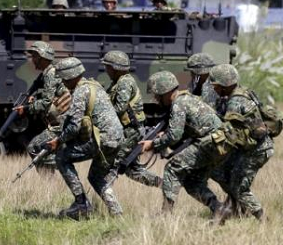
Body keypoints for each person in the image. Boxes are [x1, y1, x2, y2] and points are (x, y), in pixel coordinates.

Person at [139, 71, 234, 215]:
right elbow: (190, 127)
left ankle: (166, 214)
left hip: (212, 143)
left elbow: (174, 136)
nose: (156, 99)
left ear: (165, 92)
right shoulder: (186, 98)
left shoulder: (178, 104)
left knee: (172, 168)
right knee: (192, 182)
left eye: (157, 95)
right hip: (219, 143)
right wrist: (165, 134)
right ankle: (219, 209)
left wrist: (152, 144)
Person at [46, 57, 125, 219]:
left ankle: (81, 203)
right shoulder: (94, 85)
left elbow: (74, 126)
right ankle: (118, 214)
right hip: (117, 139)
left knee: (61, 157)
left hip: (102, 139)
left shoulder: (81, 91)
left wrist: (58, 140)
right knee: (95, 177)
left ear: (71, 76)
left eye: (64, 79)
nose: (64, 83)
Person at [208, 64, 274, 222]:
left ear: (225, 85)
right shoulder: (243, 92)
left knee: (239, 187)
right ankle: (235, 209)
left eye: (216, 86)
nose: (214, 90)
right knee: (221, 172)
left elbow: (231, 134)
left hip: (256, 150)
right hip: (252, 147)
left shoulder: (235, 102)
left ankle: (263, 218)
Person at [101, 51, 162, 187]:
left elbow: (119, 108)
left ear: (115, 68)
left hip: (130, 132)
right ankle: (166, 185)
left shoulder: (124, 83)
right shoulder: (117, 83)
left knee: (112, 165)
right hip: (128, 132)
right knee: (132, 170)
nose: (106, 70)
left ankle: (105, 200)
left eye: (107, 67)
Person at [16, 41, 66, 172]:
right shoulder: (47, 73)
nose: (32, 60)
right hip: (60, 122)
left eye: (34, 56)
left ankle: (50, 180)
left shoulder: (50, 73)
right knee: (42, 149)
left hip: (60, 124)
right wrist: (36, 96)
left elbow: (46, 103)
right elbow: (49, 95)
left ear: (42, 57)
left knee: (34, 147)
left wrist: (26, 109)